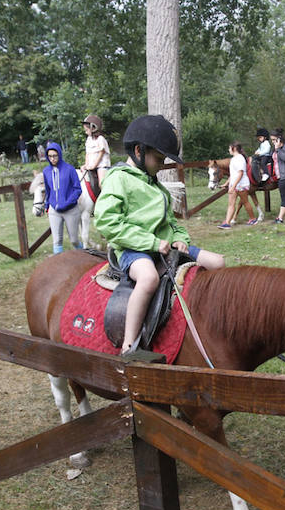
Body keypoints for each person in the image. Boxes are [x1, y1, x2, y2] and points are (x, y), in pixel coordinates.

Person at [94, 115, 225, 354]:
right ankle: (130, 345)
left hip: (166, 246)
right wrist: (152, 242)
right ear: (138, 151)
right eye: (159, 157)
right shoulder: (118, 179)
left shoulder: (157, 186)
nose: (162, 164)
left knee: (218, 262)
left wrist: (180, 240)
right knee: (148, 279)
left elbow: (172, 223)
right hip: (133, 249)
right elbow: (107, 221)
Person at [42, 142, 84, 254]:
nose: (52, 159)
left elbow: (77, 189)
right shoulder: (46, 171)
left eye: (55, 156)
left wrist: (67, 202)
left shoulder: (69, 169)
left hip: (70, 210)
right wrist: (47, 206)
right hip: (54, 211)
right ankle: (58, 265)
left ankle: (83, 256)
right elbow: (48, 190)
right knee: (57, 241)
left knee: (74, 240)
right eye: (50, 156)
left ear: (59, 155)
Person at [218, 141, 257, 229]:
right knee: (231, 204)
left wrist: (233, 186)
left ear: (234, 148)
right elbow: (233, 174)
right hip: (234, 185)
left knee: (245, 202)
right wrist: (226, 183)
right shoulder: (233, 159)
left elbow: (240, 174)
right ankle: (227, 223)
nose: (228, 150)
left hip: (241, 185)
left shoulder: (240, 159)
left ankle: (253, 219)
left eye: (229, 148)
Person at [81, 114, 111, 189]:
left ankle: (106, 197)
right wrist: (86, 164)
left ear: (93, 128)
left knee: (101, 183)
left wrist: (94, 166)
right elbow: (87, 154)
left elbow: (101, 154)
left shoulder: (101, 139)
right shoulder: (89, 139)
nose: (86, 132)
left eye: (86, 130)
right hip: (91, 166)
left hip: (101, 166)